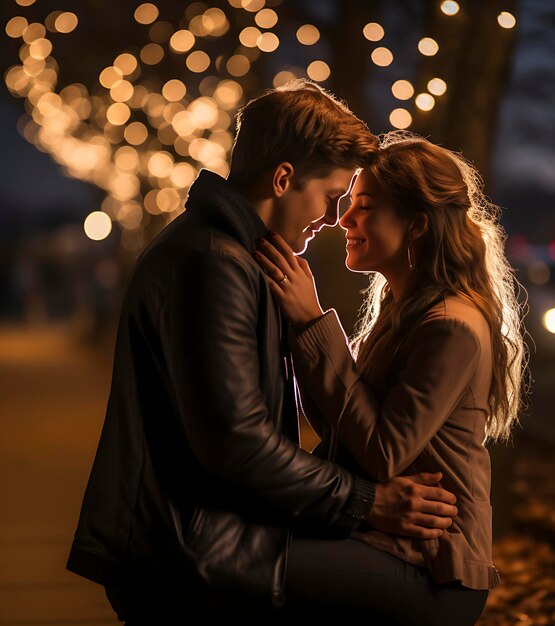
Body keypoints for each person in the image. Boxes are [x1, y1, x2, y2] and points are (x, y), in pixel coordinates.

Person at [66, 83, 460, 624]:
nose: (331, 217)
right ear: (283, 179)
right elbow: (237, 443)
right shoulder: (215, 264)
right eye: (329, 195)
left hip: (200, 537)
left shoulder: (234, 256)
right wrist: (369, 503)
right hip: (187, 551)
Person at [254, 132, 529, 625]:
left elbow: (383, 450)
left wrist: (312, 323)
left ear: (417, 224)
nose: (344, 219)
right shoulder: (400, 309)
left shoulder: (451, 325)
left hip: (430, 567)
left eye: (366, 207)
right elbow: (343, 422)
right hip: (382, 543)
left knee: (244, 564)